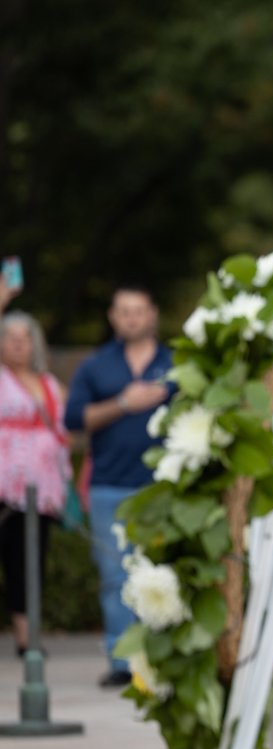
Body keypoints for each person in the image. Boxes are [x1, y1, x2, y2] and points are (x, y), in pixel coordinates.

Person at [65, 285, 172, 687]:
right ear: (113, 317)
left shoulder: (174, 365)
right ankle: (122, 661)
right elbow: (73, 420)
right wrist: (124, 404)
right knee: (114, 577)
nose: (132, 318)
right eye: (124, 311)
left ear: (152, 314)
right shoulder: (96, 366)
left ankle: (161, 657)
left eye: (139, 311)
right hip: (109, 485)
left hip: (162, 489)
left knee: (162, 575)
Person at [1, 284, 73, 658]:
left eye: (24, 337)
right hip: (2, 489)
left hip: (39, 490)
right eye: (9, 337)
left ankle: (27, 638)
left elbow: (67, 428)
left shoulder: (49, 385)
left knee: (27, 561)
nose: (17, 344)